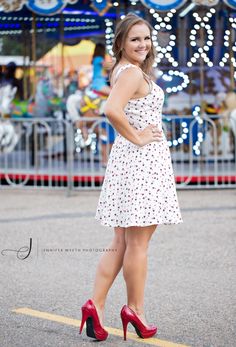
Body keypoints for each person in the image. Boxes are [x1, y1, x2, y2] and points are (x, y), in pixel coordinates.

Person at [79, 13, 182, 342]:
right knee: (137, 244)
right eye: (135, 38)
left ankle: (95, 304)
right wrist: (137, 137)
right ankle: (134, 310)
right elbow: (111, 109)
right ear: (121, 42)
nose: (143, 44)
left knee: (123, 241)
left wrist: (133, 139)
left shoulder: (124, 71)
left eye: (147, 38)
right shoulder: (132, 72)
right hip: (140, 161)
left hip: (132, 162)